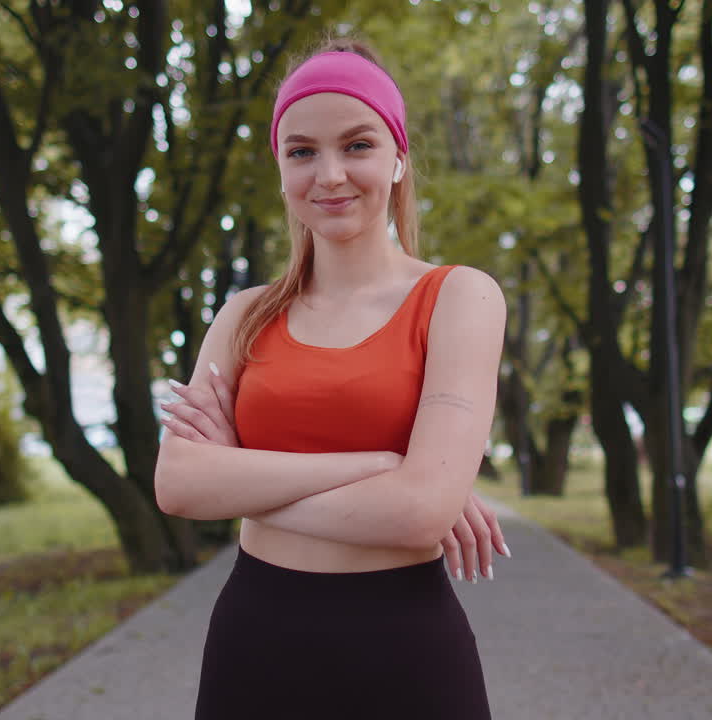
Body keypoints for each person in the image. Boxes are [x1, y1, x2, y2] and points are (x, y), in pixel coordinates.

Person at [153, 37, 506, 720]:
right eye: (303, 151)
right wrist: (385, 464)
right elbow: (178, 483)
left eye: (358, 145)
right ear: (281, 168)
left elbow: (421, 514)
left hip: (405, 650)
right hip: (255, 643)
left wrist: (239, 479)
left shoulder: (460, 297)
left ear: (398, 157)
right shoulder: (243, 316)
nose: (331, 173)